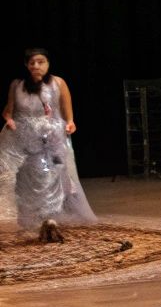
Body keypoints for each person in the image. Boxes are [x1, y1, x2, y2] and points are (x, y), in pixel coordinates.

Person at [0, 48, 98, 242]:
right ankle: (38, 219)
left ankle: (50, 219)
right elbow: (8, 110)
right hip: (26, 140)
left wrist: (70, 122)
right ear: (27, 65)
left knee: (50, 176)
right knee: (28, 180)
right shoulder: (17, 85)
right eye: (32, 63)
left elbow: (66, 109)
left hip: (52, 139)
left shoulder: (58, 83)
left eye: (40, 62)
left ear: (48, 64)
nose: (36, 66)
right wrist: (9, 120)